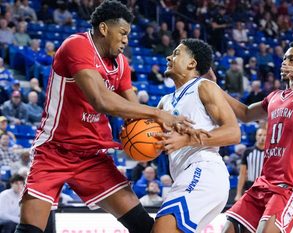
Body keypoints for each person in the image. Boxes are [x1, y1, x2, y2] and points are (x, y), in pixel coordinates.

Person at [16, 2, 195, 233]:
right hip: (54, 151)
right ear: (103, 28)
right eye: (122, 33)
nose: (126, 40)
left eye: (128, 35)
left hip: (93, 156)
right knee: (29, 230)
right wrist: (159, 113)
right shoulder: (76, 45)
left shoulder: (121, 63)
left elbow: (133, 110)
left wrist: (162, 133)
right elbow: (101, 100)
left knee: (143, 226)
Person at [221, 40, 293, 233]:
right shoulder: (274, 96)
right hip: (263, 181)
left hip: (288, 185)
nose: (285, 62)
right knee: (228, 229)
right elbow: (246, 113)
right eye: (284, 58)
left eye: (292, 59)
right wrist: (213, 89)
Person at [152, 38, 241, 233]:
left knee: (163, 229)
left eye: (176, 53)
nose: (169, 56)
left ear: (192, 63)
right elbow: (149, 143)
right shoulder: (164, 102)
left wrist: (187, 139)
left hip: (204, 170)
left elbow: (234, 132)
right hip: (184, 175)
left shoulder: (203, 86)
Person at [234, 127, 266, 202]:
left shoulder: (271, 153)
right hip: (250, 186)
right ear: (256, 136)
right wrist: (238, 193)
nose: (262, 137)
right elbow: (242, 174)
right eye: (260, 135)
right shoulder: (248, 152)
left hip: (265, 187)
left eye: (265, 135)